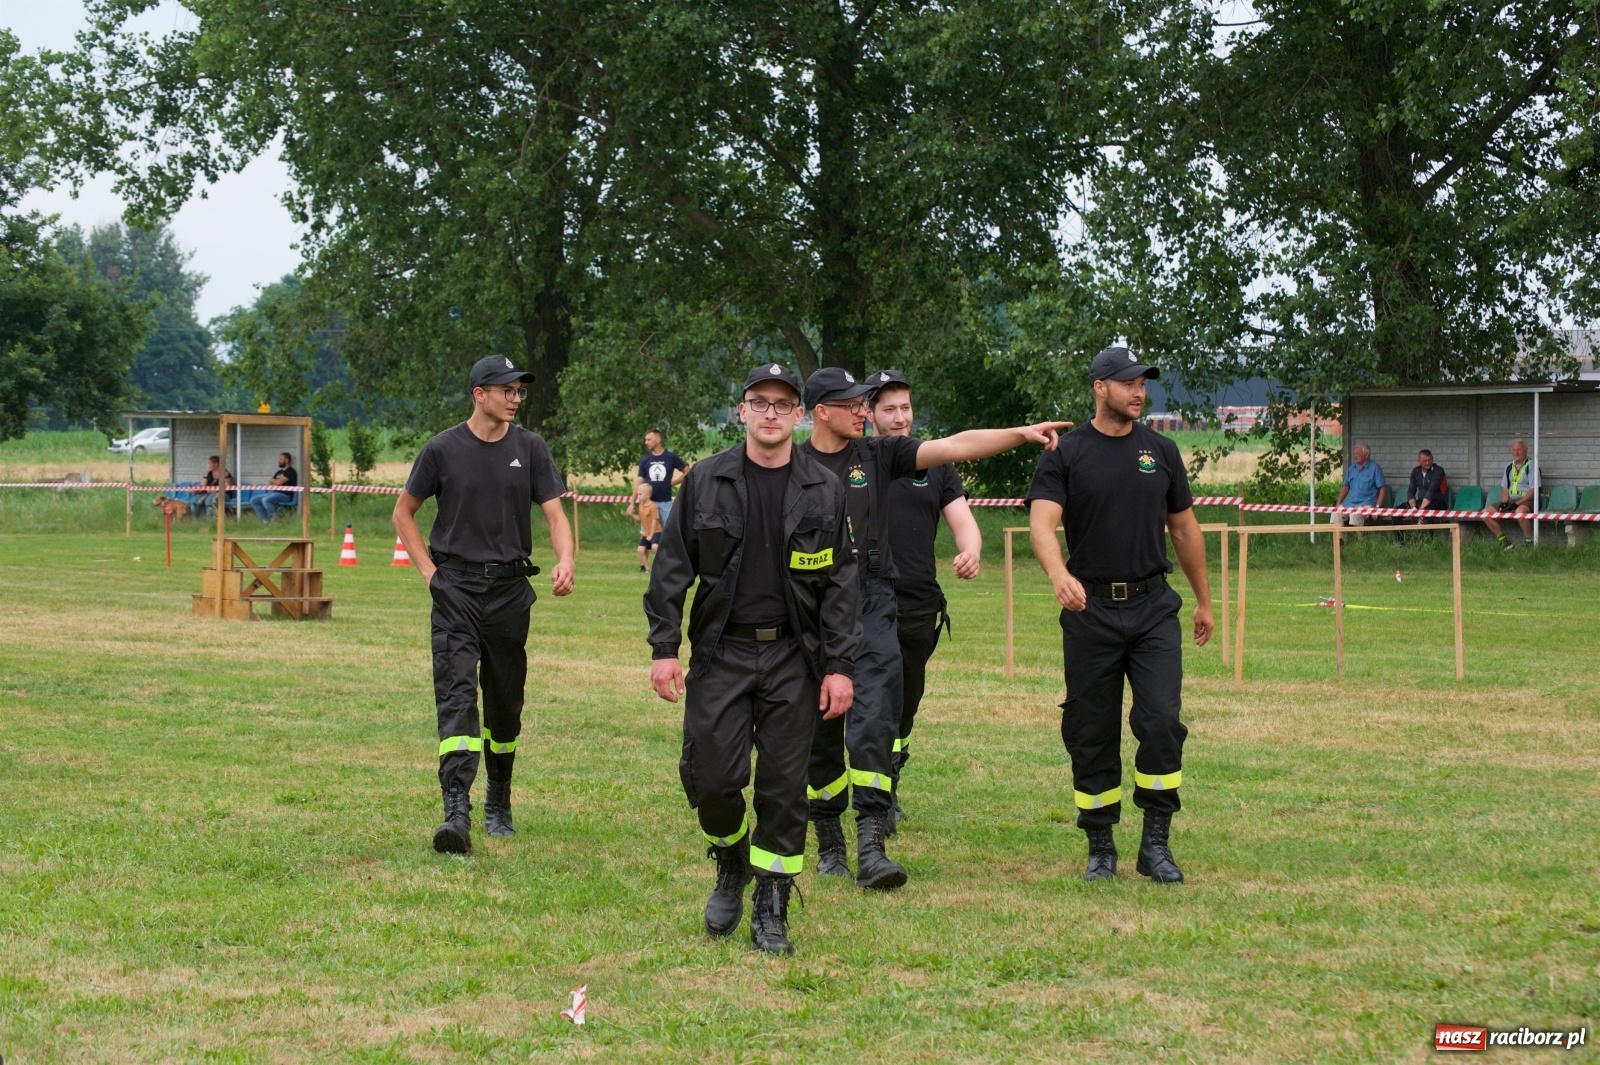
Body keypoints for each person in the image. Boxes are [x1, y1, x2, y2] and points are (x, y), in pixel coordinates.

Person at [799, 365, 1069, 890]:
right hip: (812, 605)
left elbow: (956, 447)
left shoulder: (880, 454)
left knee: (876, 718)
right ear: (821, 413)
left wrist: (1020, 434)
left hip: (876, 599)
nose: (864, 411)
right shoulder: (794, 464)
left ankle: (872, 844)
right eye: (854, 404)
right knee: (821, 731)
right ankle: (829, 841)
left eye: (865, 403)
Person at [644, 363, 859, 956]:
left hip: (796, 656)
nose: (770, 413)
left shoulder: (823, 488)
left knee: (785, 788)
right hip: (722, 653)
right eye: (758, 402)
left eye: (781, 404)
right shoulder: (706, 481)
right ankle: (730, 861)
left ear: (798, 415)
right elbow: (670, 572)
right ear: (741, 412)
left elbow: (842, 585)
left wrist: (839, 665)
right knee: (713, 780)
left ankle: (772, 908)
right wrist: (665, 650)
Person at [1026, 345, 1213, 884]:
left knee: (1160, 721)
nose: (1140, 391)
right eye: (1129, 382)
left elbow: (1184, 529)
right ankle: (1101, 845)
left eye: (1143, 383)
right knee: (1090, 728)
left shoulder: (1162, 450)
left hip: (1154, 608)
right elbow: (1043, 525)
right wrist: (1060, 575)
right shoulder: (1066, 453)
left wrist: (1203, 599)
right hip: (1091, 608)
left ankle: (1155, 844)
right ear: (1100, 387)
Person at [393, 356, 576, 855]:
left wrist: (566, 559)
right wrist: (431, 575)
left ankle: (499, 798)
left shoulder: (531, 448)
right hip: (455, 590)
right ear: (479, 393)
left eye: (519, 391)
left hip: (510, 593)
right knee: (456, 696)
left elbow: (556, 514)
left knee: (504, 703)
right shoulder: (442, 449)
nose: (516, 398)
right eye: (507, 390)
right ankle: (457, 809)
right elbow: (403, 513)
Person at [865, 369, 983, 832]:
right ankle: (862, 798)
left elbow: (962, 520)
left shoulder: (936, 465)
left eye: (906, 408)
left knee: (902, 705)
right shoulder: (859, 460)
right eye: (889, 409)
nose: (899, 418)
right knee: (871, 701)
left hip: (917, 604)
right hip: (864, 603)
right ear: (869, 413)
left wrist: (970, 549)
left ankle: (888, 787)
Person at [1481, 439, 1542, 549]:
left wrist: (1517, 503)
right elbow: (1505, 488)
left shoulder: (1532, 466)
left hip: (1528, 500)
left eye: (1519, 450)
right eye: (1514, 450)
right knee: (1485, 513)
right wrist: (1504, 503)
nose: (1516, 453)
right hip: (1511, 500)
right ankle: (1504, 541)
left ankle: (1528, 542)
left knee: (1519, 512)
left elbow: (1534, 491)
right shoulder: (1509, 466)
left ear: (1526, 451)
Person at [635, 429, 690, 528]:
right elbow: (639, 481)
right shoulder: (645, 460)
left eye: (649, 439)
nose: (646, 442)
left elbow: (687, 471)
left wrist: (672, 483)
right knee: (648, 533)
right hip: (648, 503)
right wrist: (632, 502)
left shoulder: (671, 457)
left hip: (665, 502)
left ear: (658, 439)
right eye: (645, 440)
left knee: (669, 532)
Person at [1331, 444, 1387, 527]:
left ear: (1366, 455)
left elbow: (1382, 488)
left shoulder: (1375, 468)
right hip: (1351, 503)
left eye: (1357, 454)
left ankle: (1359, 539)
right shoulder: (1351, 468)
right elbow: (1346, 486)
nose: (1355, 456)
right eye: (1354, 454)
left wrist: (1377, 508)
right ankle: (1340, 539)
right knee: (1336, 513)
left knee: (1355, 514)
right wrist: (1338, 503)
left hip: (1366, 504)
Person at [250, 452, 299, 522]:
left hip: (285, 495)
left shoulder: (291, 471)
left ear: (287, 460)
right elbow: (270, 483)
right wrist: (276, 482)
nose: (279, 461)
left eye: (281, 459)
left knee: (266, 500)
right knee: (254, 500)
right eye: (279, 459)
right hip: (274, 493)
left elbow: (278, 483)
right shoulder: (278, 472)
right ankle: (265, 520)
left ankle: (275, 519)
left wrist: (276, 482)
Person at [1403, 449, 1449, 524]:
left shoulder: (1438, 470)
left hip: (1438, 502)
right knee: (1397, 511)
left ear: (1433, 459)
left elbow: (1431, 491)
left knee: (1427, 513)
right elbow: (1411, 491)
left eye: (1430, 460)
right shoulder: (1415, 471)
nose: (1428, 463)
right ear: (1418, 461)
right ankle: (1399, 536)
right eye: (1425, 461)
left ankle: (1429, 536)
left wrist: (1421, 510)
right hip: (1421, 502)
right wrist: (1413, 507)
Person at [626, 481, 663, 571]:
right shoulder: (641, 506)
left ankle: (661, 566)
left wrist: (651, 535)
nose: (638, 496)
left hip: (656, 532)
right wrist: (631, 515)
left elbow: (655, 521)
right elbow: (640, 519)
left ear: (647, 495)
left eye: (640, 494)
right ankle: (647, 569)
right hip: (646, 533)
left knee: (655, 547)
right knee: (640, 550)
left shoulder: (653, 506)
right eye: (638, 494)